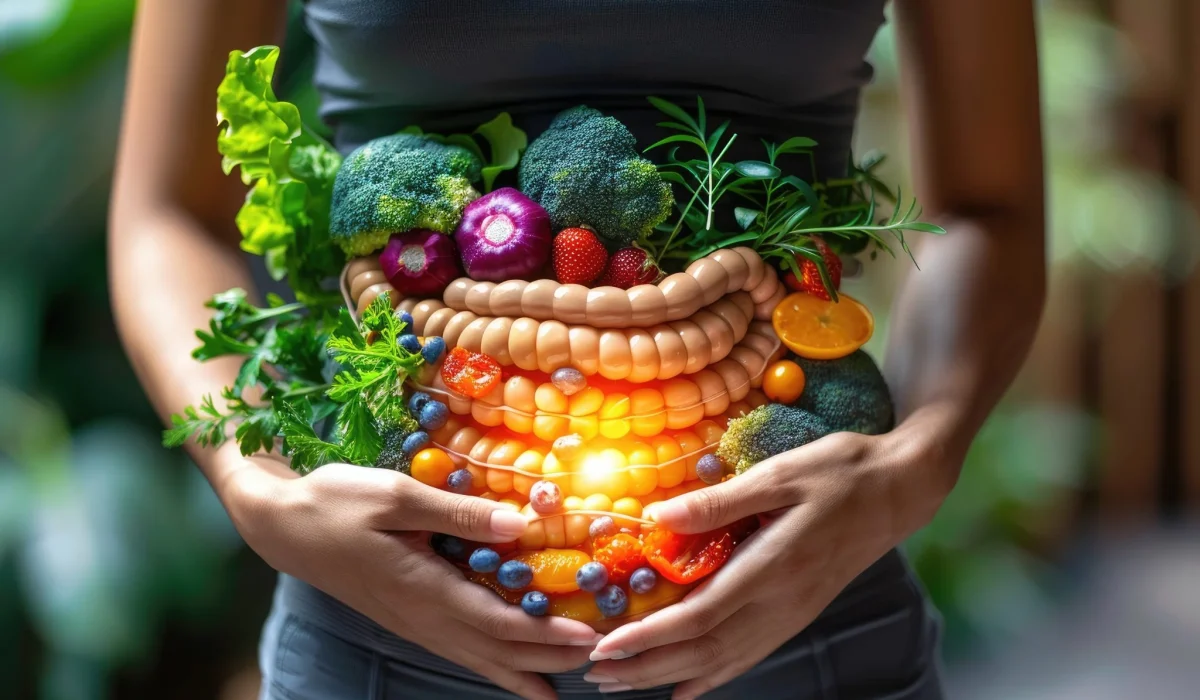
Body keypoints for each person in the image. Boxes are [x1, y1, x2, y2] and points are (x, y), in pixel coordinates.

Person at [109, 1, 1044, 698]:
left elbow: (989, 207)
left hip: (800, 631)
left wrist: (916, 463)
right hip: (385, 642)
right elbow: (165, 210)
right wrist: (258, 484)